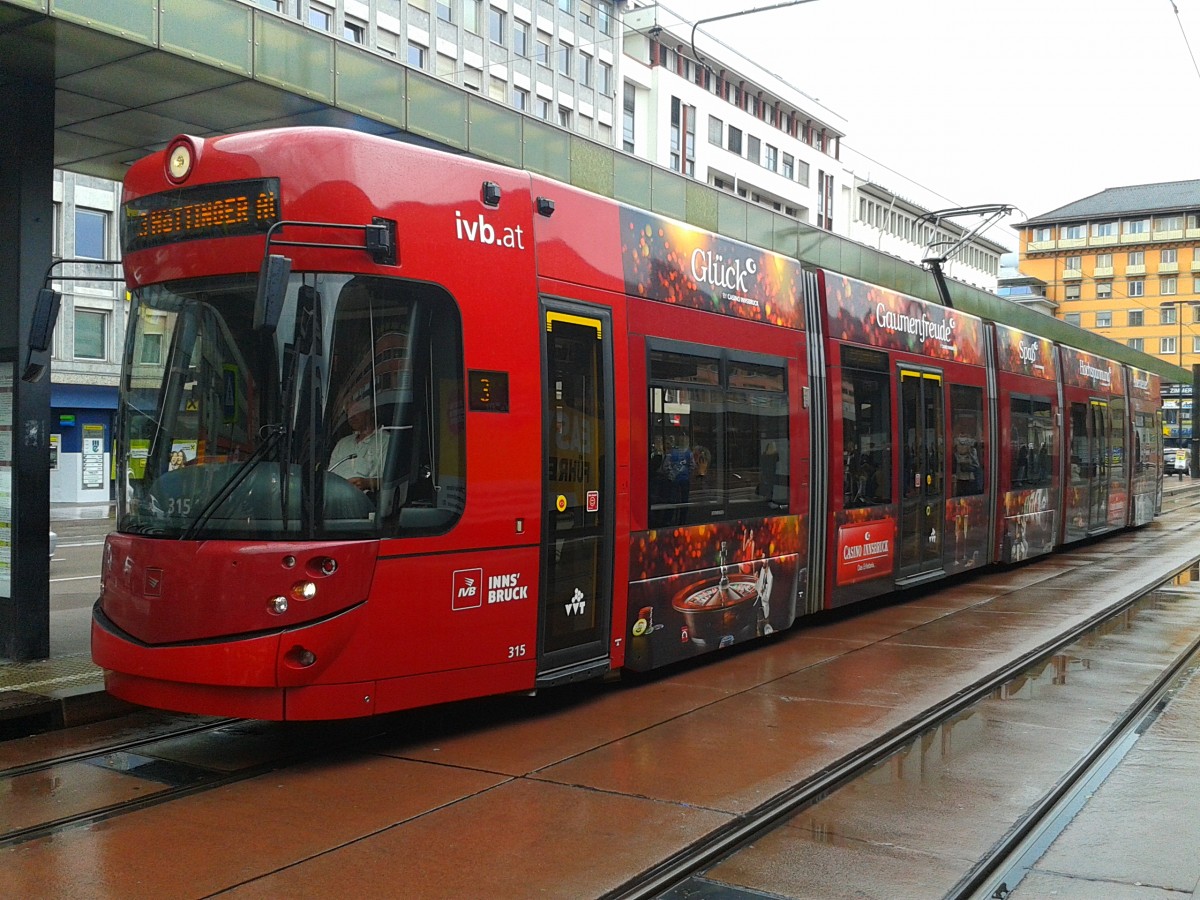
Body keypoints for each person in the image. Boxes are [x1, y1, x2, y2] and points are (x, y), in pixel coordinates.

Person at [329, 399, 389, 494]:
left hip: (365, 501)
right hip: (334, 497)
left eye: (356, 410)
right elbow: (330, 475)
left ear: (370, 412)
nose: (351, 416)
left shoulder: (386, 441)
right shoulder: (343, 443)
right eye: (348, 412)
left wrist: (367, 483)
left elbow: (390, 480)